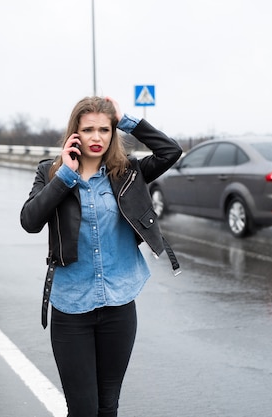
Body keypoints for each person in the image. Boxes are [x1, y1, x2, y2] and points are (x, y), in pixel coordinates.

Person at [20, 96, 182, 416]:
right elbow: (30, 221)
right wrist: (66, 175)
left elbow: (170, 151)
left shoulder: (129, 172)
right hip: (72, 308)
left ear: (113, 132)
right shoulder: (50, 173)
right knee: (83, 410)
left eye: (105, 129)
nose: (97, 138)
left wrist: (127, 119)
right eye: (89, 129)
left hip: (119, 305)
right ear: (74, 134)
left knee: (108, 407)